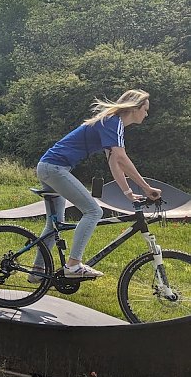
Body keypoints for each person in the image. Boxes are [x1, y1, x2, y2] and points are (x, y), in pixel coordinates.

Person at [34, 89, 161, 279]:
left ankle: (37, 272)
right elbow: (120, 157)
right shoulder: (113, 122)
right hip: (54, 169)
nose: (147, 113)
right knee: (94, 211)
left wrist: (127, 192)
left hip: (50, 167)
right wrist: (146, 187)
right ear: (135, 108)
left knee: (54, 225)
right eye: (145, 109)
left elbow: (114, 162)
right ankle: (74, 265)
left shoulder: (111, 122)